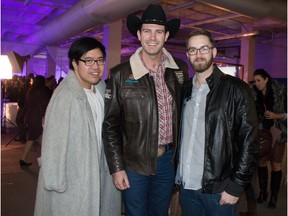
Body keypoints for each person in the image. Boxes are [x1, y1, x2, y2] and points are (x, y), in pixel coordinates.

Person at [102, 4, 189, 216]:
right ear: (139, 34)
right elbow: (110, 126)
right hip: (134, 163)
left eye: (159, 31)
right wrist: (117, 167)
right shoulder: (120, 74)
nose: (153, 37)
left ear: (166, 35)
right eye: (147, 31)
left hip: (167, 162)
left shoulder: (179, 70)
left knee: (160, 213)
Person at [175, 29, 259, 216]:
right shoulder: (184, 89)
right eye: (193, 50)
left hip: (219, 189)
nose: (198, 54)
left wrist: (236, 186)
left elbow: (249, 141)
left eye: (204, 48)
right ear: (188, 54)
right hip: (187, 187)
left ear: (214, 51)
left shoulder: (236, 89)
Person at [34, 37, 121, 216]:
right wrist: (55, 183)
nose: (95, 66)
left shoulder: (101, 89)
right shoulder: (66, 96)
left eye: (99, 60)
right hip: (73, 180)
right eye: (88, 61)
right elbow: (53, 144)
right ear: (75, 63)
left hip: (98, 172)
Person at [251, 69, 287, 209]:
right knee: (261, 163)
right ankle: (263, 193)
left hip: (277, 132)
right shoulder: (253, 92)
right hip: (262, 132)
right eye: (255, 81)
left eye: (259, 80)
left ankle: (274, 197)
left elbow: (286, 114)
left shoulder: (280, 91)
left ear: (266, 79)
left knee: (276, 165)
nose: (257, 83)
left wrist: (276, 116)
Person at [19, 75, 52, 166]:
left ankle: (24, 158)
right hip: (36, 118)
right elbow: (45, 104)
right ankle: (24, 158)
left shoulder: (31, 91)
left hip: (29, 117)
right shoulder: (41, 91)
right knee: (34, 138)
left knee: (35, 137)